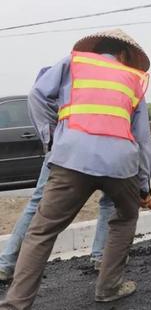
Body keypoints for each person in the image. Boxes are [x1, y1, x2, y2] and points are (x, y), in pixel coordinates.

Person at [0, 29, 151, 308]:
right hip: (121, 164)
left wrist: (52, 137)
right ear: (123, 55)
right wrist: (144, 185)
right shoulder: (133, 80)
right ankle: (108, 287)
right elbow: (142, 138)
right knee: (125, 218)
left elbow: (36, 95)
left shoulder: (73, 63)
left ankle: (15, 304)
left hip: (72, 159)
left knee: (41, 231)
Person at [0, 67, 115, 283]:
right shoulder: (70, 68)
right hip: (91, 148)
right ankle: (101, 257)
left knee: (40, 202)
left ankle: (6, 264)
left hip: (74, 146)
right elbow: (37, 96)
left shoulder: (82, 72)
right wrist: (51, 137)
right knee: (109, 201)